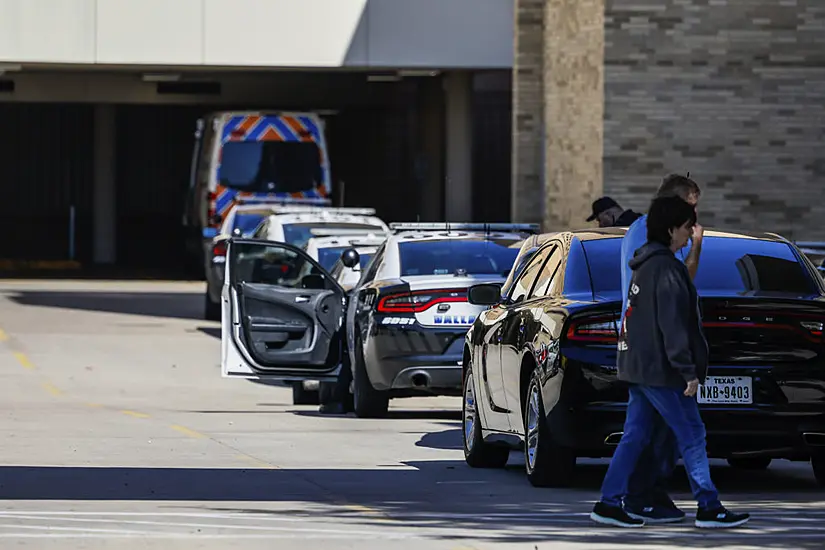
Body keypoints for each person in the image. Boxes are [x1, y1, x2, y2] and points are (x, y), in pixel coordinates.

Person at [591, 195, 750, 529]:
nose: (691, 232)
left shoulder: (645, 265)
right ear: (670, 229)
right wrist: (687, 371)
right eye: (686, 227)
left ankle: (608, 502)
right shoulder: (665, 269)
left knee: (634, 435)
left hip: (639, 367)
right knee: (692, 433)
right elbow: (672, 325)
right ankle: (709, 506)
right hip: (662, 371)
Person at [620, 174, 702, 523]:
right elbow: (675, 286)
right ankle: (640, 496)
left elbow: (680, 280)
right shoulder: (649, 237)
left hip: (649, 346)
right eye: (691, 209)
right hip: (655, 348)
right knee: (669, 430)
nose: (693, 220)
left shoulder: (644, 232)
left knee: (647, 428)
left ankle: (633, 497)